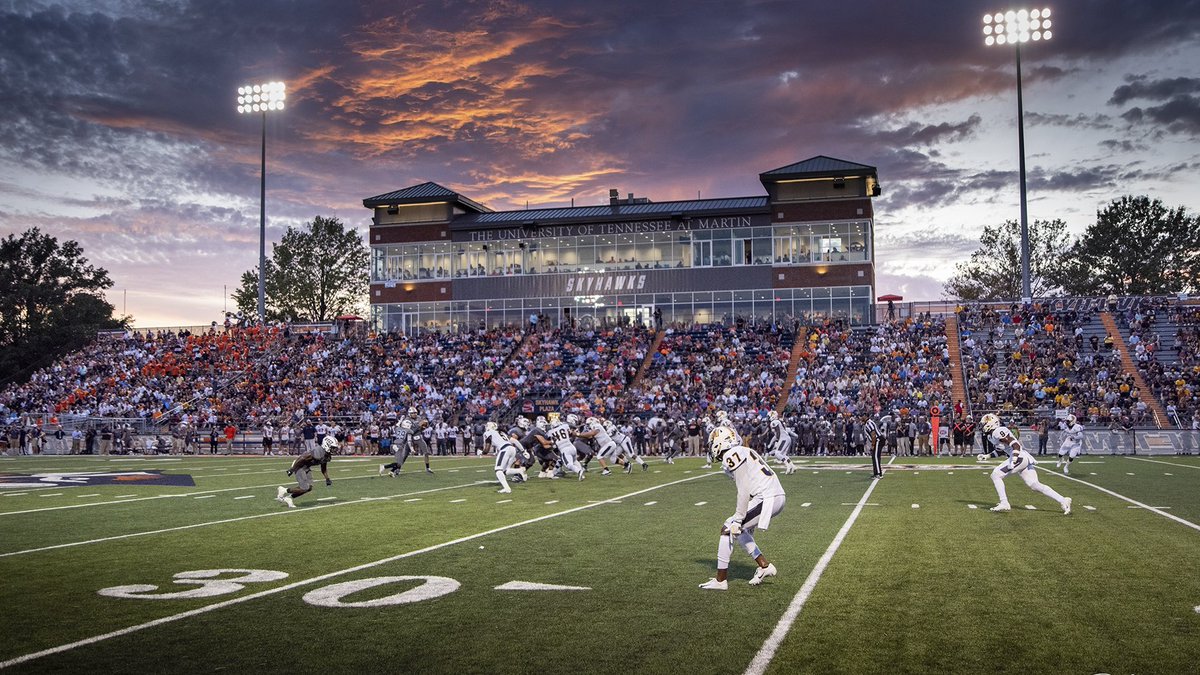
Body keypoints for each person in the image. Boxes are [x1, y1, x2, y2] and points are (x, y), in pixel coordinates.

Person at [698, 426, 785, 590]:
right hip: (772, 495)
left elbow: (744, 489)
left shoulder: (732, 454)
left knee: (727, 528)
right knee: (740, 531)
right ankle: (764, 566)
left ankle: (720, 580)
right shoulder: (742, 450)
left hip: (767, 497)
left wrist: (738, 519)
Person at [977, 413, 1072, 514]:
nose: (982, 426)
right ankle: (1063, 500)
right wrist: (987, 456)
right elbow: (1001, 450)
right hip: (1021, 457)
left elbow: (1016, 445)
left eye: (984, 424)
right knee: (1034, 485)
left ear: (990, 424)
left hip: (1019, 457)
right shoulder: (991, 436)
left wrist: (1013, 460)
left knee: (996, 475)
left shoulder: (998, 431)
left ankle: (1004, 502)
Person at [484, 421, 527, 493]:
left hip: (504, 449)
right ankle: (519, 470)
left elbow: (486, 450)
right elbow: (514, 441)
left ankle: (507, 489)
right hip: (512, 449)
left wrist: (481, 452)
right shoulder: (502, 433)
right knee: (505, 470)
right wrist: (523, 451)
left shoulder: (488, 433)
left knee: (498, 470)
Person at [545, 412, 585, 480]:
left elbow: (547, 438)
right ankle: (582, 474)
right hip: (572, 447)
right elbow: (570, 433)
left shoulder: (550, 432)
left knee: (568, 465)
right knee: (575, 461)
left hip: (564, 449)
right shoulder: (565, 426)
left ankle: (579, 471)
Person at [865, 412, 887, 478]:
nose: (860, 418)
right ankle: (876, 473)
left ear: (866, 416)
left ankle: (878, 473)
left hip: (878, 439)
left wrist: (873, 445)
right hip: (877, 439)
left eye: (861, 416)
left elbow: (873, 434)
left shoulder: (869, 423)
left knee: (875, 457)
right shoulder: (868, 423)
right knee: (874, 457)